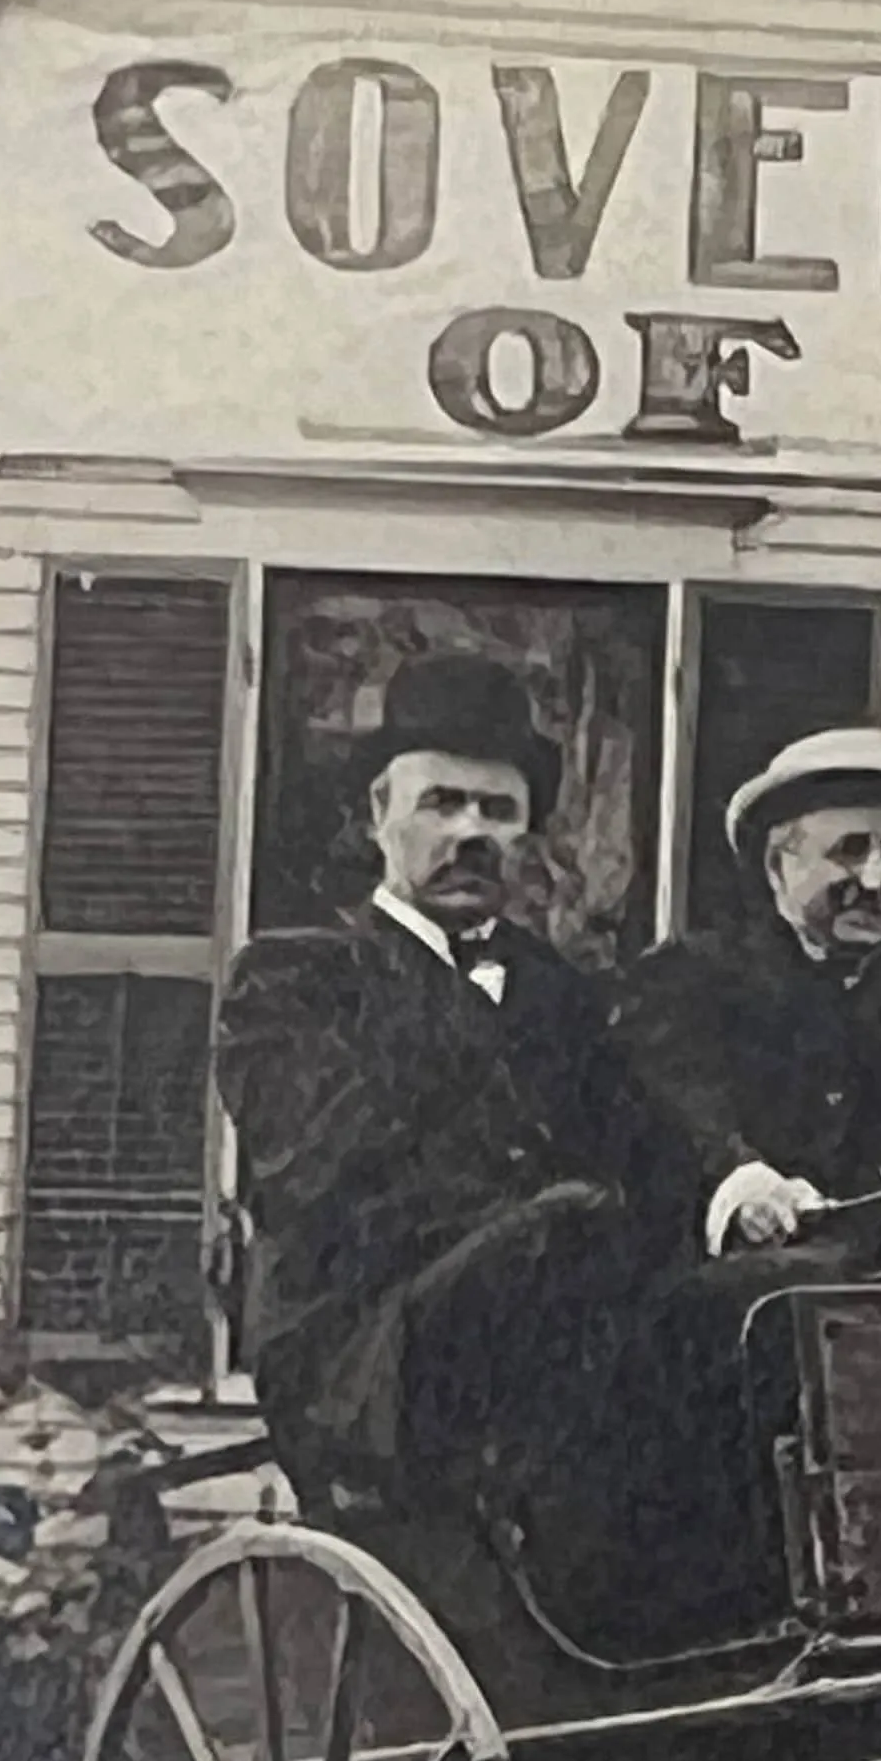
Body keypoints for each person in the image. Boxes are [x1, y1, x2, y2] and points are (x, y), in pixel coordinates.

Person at [212, 652, 690, 1536]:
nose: (471, 833)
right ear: (378, 817)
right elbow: (323, 1176)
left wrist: (742, 1194)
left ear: (528, 838)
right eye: (441, 803)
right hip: (364, 1354)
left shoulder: (561, 993)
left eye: (498, 812)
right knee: (575, 1226)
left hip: (547, 1333)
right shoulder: (295, 979)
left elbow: (645, 1145)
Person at [611, 725, 881, 1263]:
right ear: (777, 866)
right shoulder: (685, 983)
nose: (876, 879)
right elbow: (674, 1124)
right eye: (849, 851)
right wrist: (743, 1186)